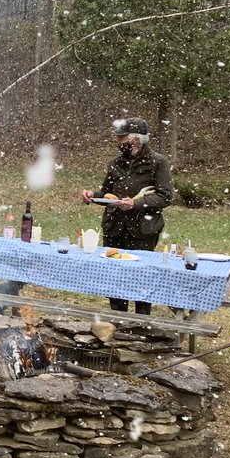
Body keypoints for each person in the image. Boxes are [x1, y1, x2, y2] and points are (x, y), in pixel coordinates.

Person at [79, 117, 174, 314]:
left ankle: (141, 324)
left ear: (136, 139)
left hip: (143, 230)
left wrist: (135, 204)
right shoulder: (116, 163)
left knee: (142, 279)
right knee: (115, 279)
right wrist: (92, 196)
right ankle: (118, 320)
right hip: (114, 227)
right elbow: (107, 193)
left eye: (122, 137)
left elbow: (165, 196)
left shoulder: (158, 162)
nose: (118, 141)